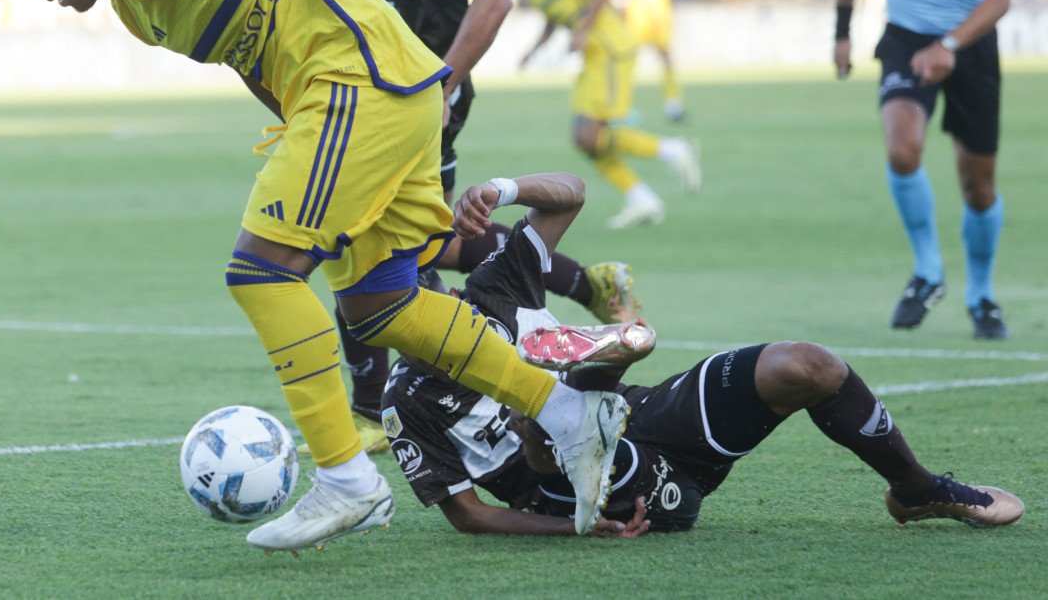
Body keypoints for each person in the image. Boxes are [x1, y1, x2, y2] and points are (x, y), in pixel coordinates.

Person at [0, 0, 626, 552]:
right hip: (369, 102)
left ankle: (347, 478)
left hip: (364, 87)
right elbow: (252, 60)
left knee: (262, 272)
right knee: (381, 306)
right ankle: (565, 412)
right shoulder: (138, 8)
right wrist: (299, 135)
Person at [380, 172, 1025, 535]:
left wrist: (503, 187)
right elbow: (466, 513)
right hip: (588, 488)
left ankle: (917, 489)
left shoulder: (494, 286)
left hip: (650, 416)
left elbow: (570, 193)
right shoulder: (407, 400)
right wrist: (576, 530)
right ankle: (588, 378)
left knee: (807, 365)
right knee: (546, 440)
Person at [322, 0, 634, 452]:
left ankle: (374, 411)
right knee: (423, 243)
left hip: (420, 96)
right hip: (379, 95)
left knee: (364, 242)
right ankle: (584, 286)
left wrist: (440, 85)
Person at [834, 0, 1017, 339]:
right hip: (905, 40)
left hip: (970, 46)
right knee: (902, 146)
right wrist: (842, 29)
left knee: (977, 186)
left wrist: (951, 46)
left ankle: (982, 297)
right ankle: (928, 272)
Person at [509, 0, 701, 229]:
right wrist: (533, 50)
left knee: (591, 135)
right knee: (584, 138)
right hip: (593, 56)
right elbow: (555, 16)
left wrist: (583, 30)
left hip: (611, 48)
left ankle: (672, 150)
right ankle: (643, 198)